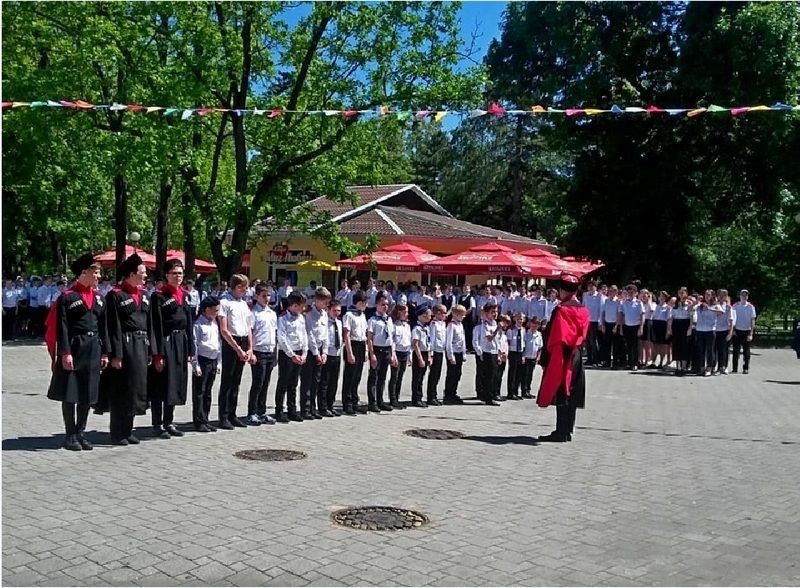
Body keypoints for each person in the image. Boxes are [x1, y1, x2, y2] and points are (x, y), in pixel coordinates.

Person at [44, 254, 109, 451]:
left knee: (87, 393)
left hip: (93, 347)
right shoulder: (67, 297)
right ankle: (70, 434)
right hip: (74, 347)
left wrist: (105, 352)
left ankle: (81, 432)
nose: (98, 276)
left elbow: (104, 327)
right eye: (95, 272)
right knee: (71, 393)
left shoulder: (99, 298)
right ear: (84, 272)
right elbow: (61, 327)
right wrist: (65, 353)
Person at [96, 253, 153, 446]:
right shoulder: (115, 295)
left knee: (136, 389)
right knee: (122, 389)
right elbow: (113, 327)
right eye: (142, 272)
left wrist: (150, 350)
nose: (146, 276)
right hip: (125, 345)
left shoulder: (144, 295)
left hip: (141, 345)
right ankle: (117, 432)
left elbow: (149, 323)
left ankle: (128, 430)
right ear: (131, 274)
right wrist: (116, 354)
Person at [537, 272, 590, 443]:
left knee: (562, 391)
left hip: (562, 354)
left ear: (562, 290)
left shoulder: (561, 309)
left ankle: (561, 431)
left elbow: (553, 335)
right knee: (572, 392)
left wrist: (545, 359)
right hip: (576, 353)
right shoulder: (582, 309)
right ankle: (567, 430)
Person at [148, 259, 195, 439]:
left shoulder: (184, 295)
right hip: (166, 342)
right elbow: (156, 325)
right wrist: (158, 353)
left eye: (180, 273)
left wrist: (190, 349)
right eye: (174, 273)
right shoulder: (158, 296)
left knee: (175, 384)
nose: (178, 276)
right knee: (161, 385)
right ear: (166, 275)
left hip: (180, 342)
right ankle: (157, 423)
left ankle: (169, 421)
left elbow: (189, 324)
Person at [217, 274, 254, 429]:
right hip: (231, 342)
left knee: (236, 381)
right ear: (237, 287)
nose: (246, 290)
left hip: (243, 340)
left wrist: (250, 348)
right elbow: (224, 329)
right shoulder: (224, 302)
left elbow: (248, 327)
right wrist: (238, 349)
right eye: (244, 287)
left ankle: (233, 414)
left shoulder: (244, 304)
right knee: (227, 380)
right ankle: (224, 415)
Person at [274, 291, 309, 422]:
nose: (303, 308)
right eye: (301, 306)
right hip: (287, 354)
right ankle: (279, 411)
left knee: (294, 384)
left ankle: (292, 410)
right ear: (294, 305)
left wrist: (304, 353)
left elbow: (304, 336)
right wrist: (292, 355)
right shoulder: (283, 318)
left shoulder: (301, 318)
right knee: (283, 383)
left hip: (299, 353)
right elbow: (282, 339)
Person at [247, 284, 278, 425]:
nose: (267, 298)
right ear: (257, 296)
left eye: (268, 295)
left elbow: (274, 333)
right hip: (258, 350)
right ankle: (252, 412)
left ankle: (262, 411)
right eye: (264, 296)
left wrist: (275, 353)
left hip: (270, 350)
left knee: (266, 383)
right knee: (258, 383)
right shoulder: (253, 313)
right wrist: (251, 351)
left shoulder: (272, 313)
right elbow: (250, 332)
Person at [191, 296, 221, 432]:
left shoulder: (214, 323)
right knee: (199, 392)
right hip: (202, 360)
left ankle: (206, 419)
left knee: (208, 392)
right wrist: (195, 365)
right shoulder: (198, 324)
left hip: (213, 359)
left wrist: (219, 363)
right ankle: (198, 421)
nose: (217, 312)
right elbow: (195, 346)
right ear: (206, 309)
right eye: (215, 309)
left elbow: (218, 343)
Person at [300, 287, 331, 420]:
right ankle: (305, 409)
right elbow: (310, 334)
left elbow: (325, 334)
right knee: (307, 381)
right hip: (310, 351)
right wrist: (316, 353)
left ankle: (313, 408)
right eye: (325, 302)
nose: (326, 305)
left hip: (320, 351)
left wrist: (325, 352)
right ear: (317, 300)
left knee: (316, 381)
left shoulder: (324, 314)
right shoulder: (308, 314)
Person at [366, 293, 397, 412]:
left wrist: (393, 354)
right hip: (377, 349)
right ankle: (372, 402)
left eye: (387, 304)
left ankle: (380, 400)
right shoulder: (373, 320)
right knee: (374, 376)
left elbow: (392, 338)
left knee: (383, 377)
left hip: (387, 349)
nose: (385, 307)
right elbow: (370, 338)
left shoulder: (389, 319)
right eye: (383, 304)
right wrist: (372, 354)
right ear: (377, 305)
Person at [342, 290, 369, 414]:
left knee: (357, 376)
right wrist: (349, 353)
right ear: (358, 302)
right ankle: (347, 403)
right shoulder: (349, 315)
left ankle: (354, 400)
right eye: (364, 303)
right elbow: (347, 335)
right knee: (350, 376)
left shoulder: (362, 315)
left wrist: (366, 350)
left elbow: (365, 334)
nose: (366, 305)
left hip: (361, 345)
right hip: (352, 345)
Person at [318, 299, 343, 417]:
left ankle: (330, 405)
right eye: (334, 310)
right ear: (328, 310)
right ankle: (322, 407)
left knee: (334, 382)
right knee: (325, 382)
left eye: (339, 311)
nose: (337, 313)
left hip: (337, 354)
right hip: (327, 354)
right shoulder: (325, 322)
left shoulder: (339, 322)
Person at [473, 302, 500, 406]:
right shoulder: (484, 325)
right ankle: (487, 397)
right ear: (486, 313)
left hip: (494, 352)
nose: (495, 314)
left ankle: (491, 394)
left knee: (494, 375)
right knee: (488, 375)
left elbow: (498, 341)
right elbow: (489, 338)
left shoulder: (495, 324)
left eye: (496, 312)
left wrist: (499, 352)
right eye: (492, 312)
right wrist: (498, 329)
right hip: (486, 352)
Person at [692, 290, 723, 377]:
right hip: (700, 330)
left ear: (712, 296)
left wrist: (709, 308)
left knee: (710, 350)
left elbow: (721, 313)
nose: (706, 296)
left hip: (710, 330)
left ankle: (709, 368)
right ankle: (702, 368)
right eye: (705, 294)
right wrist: (696, 303)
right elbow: (691, 310)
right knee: (701, 350)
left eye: (709, 295)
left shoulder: (716, 305)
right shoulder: (700, 305)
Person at [388, 303, 412, 409]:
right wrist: (393, 354)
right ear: (399, 312)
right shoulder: (394, 325)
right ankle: (392, 399)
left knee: (400, 377)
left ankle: (397, 398)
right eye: (405, 312)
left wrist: (410, 356)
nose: (407, 314)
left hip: (405, 352)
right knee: (394, 376)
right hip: (397, 352)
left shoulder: (407, 325)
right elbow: (392, 340)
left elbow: (409, 341)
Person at [443, 304, 467, 405]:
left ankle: (453, 392)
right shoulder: (451, 325)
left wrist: (464, 353)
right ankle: (448, 394)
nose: (463, 316)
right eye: (462, 315)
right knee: (451, 374)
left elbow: (463, 340)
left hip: (459, 352)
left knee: (458, 374)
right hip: (453, 353)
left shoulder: (460, 325)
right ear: (456, 315)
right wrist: (450, 356)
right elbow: (448, 342)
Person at [618, 284, 644, 371]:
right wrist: (621, 327)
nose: (630, 294)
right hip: (627, 326)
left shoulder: (639, 303)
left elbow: (642, 315)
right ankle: (629, 363)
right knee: (628, 346)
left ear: (636, 293)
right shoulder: (624, 303)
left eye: (632, 292)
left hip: (636, 326)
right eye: (629, 292)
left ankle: (635, 363)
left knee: (636, 346)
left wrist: (641, 327)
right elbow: (622, 315)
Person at [426, 304, 447, 406]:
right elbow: (432, 339)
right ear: (438, 313)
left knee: (437, 374)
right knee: (433, 375)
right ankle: (431, 396)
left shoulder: (442, 324)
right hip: (435, 352)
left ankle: (434, 395)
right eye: (444, 313)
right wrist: (431, 354)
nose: (445, 315)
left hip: (441, 351)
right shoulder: (433, 324)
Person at [411, 306, 432, 408]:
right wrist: (420, 358)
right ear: (422, 316)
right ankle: (416, 398)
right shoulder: (417, 328)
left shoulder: (426, 327)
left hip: (425, 352)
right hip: (418, 353)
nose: (429, 316)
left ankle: (420, 397)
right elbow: (415, 344)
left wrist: (429, 356)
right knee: (417, 377)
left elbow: (429, 342)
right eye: (428, 315)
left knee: (422, 377)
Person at [731, 289, 756, 374]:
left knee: (746, 352)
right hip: (737, 330)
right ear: (740, 296)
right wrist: (733, 330)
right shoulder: (735, 306)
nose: (744, 297)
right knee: (735, 351)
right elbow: (732, 318)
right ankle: (734, 368)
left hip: (747, 330)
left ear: (747, 297)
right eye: (742, 295)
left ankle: (746, 368)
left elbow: (752, 320)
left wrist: (751, 333)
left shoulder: (751, 307)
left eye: (746, 295)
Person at [668, 287, 693, 376]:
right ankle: (678, 367)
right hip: (676, 325)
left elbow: (691, 317)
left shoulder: (689, 304)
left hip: (685, 324)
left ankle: (684, 367)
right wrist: (670, 328)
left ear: (686, 294)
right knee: (677, 345)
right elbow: (671, 317)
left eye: (683, 293)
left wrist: (690, 328)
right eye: (680, 293)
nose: (681, 295)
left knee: (685, 346)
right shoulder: (675, 304)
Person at [582, 280, 604, 366]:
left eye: (592, 286)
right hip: (587, 321)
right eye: (589, 286)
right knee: (587, 340)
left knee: (593, 341)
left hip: (595, 320)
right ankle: (589, 358)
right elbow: (583, 307)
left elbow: (601, 309)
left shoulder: (599, 296)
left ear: (595, 287)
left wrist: (600, 321)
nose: (591, 288)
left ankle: (596, 359)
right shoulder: (585, 295)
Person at [505, 311, 526, 400]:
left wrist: (523, 355)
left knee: (519, 373)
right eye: (518, 319)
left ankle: (516, 391)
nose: (520, 321)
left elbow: (524, 342)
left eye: (521, 319)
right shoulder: (511, 330)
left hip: (520, 352)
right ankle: (510, 392)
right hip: (513, 352)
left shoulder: (523, 330)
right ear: (514, 319)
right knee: (512, 373)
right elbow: (508, 342)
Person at [713, 289, 735, 375]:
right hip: (714, 330)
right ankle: (714, 367)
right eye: (720, 295)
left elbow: (731, 321)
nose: (722, 297)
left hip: (724, 330)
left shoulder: (728, 307)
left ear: (726, 297)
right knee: (714, 350)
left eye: (724, 295)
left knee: (724, 350)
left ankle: (723, 367)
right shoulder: (714, 305)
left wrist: (730, 333)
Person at [598, 285, 620, 368]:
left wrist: (616, 326)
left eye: (614, 290)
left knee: (615, 345)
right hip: (607, 324)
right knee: (607, 344)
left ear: (616, 292)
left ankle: (615, 363)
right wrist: (603, 325)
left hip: (615, 324)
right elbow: (603, 313)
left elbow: (619, 314)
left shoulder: (618, 301)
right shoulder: (606, 301)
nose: (611, 292)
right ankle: (607, 362)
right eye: (610, 290)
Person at [521, 317, 543, 399]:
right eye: (533, 324)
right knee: (524, 375)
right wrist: (523, 356)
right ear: (530, 324)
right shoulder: (526, 333)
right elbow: (523, 346)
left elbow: (540, 347)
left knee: (530, 375)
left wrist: (538, 357)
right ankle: (524, 391)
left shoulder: (539, 335)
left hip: (533, 357)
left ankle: (528, 390)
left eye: (536, 324)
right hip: (526, 357)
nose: (534, 326)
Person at [651, 291, 672, 369]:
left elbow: (669, 320)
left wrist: (668, 331)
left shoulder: (668, 307)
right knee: (655, 345)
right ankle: (653, 362)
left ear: (666, 298)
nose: (661, 298)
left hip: (663, 326)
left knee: (662, 346)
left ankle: (661, 362)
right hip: (655, 325)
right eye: (660, 296)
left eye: (663, 296)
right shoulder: (655, 306)